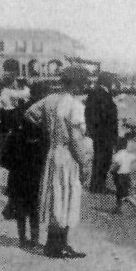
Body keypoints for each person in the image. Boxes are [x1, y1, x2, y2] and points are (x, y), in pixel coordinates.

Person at [24, 67, 92, 259]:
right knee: (67, 197)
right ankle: (58, 245)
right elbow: (75, 139)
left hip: (53, 152)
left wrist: (46, 131)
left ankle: (55, 244)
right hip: (68, 156)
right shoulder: (75, 105)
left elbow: (29, 114)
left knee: (56, 197)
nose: (85, 87)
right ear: (76, 84)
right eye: (83, 83)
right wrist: (84, 163)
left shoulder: (50, 100)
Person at [0, 113, 47, 248]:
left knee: (22, 209)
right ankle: (34, 240)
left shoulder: (14, 136)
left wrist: (16, 166)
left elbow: (4, 160)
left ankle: (23, 239)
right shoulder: (41, 137)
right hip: (32, 178)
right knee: (33, 209)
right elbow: (43, 159)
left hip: (18, 178)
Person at [84, 73, 120, 193]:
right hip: (105, 134)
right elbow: (106, 116)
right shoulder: (103, 94)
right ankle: (98, 186)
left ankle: (96, 185)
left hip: (99, 134)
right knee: (103, 160)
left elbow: (90, 114)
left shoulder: (94, 94)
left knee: (99, 160)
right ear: (107, 81)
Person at [110, 137, 136, 214]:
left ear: (116, 146)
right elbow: (135, 158)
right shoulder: (128, 154)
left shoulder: (117, 155)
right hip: (127, 175)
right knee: (119, 194)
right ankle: (118, 209)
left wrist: (112, 170)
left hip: (119, 176)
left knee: (124, 195)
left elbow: (118, 165)